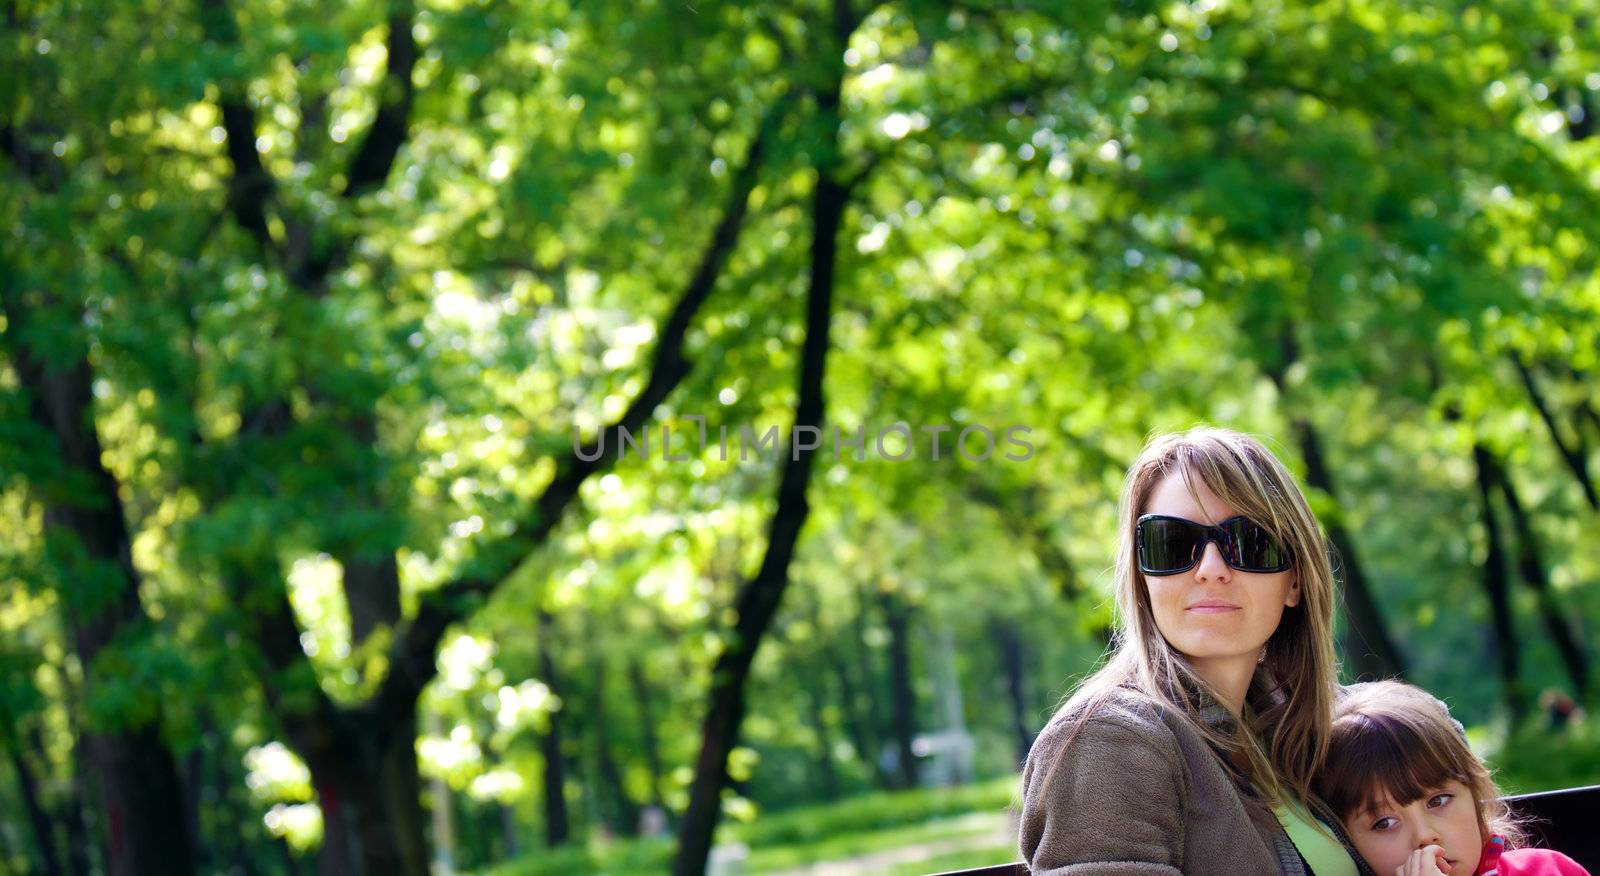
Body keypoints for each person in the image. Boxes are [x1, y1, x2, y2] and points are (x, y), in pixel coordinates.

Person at [1020, 427, 1369, 875]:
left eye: (1249, 542)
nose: (1210, 569)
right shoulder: (1109, 739)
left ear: (1295, 581)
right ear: (1143, 579)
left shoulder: (1290, 730)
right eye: (1172, 543)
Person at [1314, 681, 1590, 876]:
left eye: (1438, 800)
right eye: (1384, 822)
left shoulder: (1546, 870)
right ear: (1347, 843)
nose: (1424, 836)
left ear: (1475, 791)